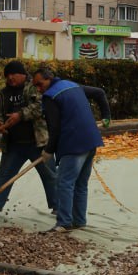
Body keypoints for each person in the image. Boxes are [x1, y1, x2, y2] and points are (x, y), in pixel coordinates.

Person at [30, 67, 111, 234]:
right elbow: (100, 93)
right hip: (91, 140)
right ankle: (79, 221)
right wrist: (107, 116)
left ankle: (65, 222)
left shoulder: (50, 96)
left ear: (49, 78)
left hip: (73, 143)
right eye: (36, 86)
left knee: (64, 183)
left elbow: (54, 128)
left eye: (40, 84)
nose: (39, 88)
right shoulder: (72, 85)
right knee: (80, 184)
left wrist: (48, 150)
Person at [0, 60, 57, 219]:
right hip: (14, 143)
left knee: (50, 175)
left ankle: (59, 207)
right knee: (4, 174)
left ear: (22, 74)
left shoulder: (33, 87)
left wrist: (20, 115)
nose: (10, 78)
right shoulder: (2, 93)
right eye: (7, 75)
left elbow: (41, 106)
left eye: (13, 74)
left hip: (38, 142)